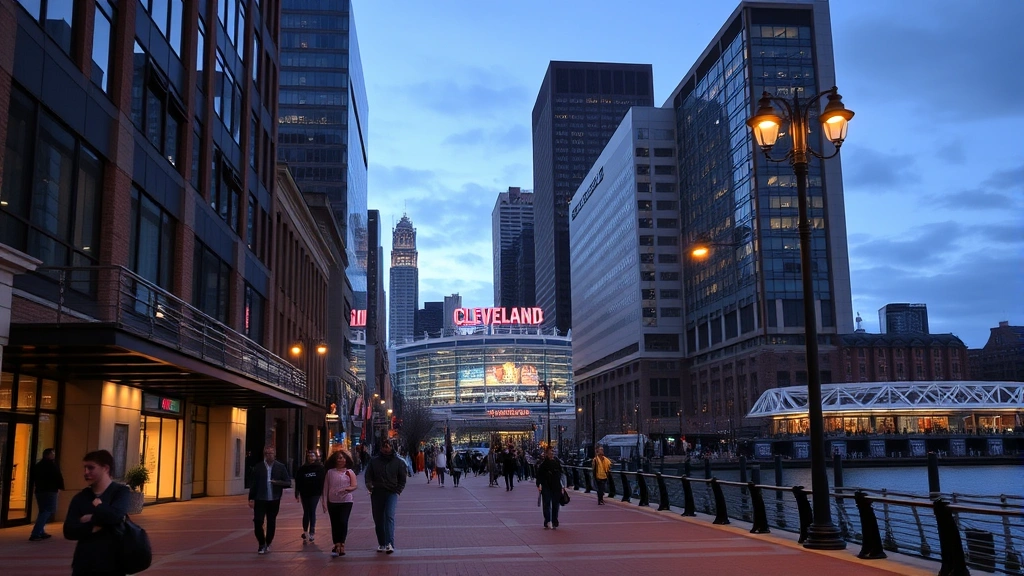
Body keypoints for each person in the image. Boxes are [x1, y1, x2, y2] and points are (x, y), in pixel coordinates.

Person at [63, 449, 131, 576]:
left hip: (113, 564)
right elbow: (69, 530)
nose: (86, 472)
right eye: (84, 468)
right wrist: (96, 524)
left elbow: (116, 516)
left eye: (91, 468)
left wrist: (96, 509)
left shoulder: (120, 492)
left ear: (105, 468)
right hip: (84, 564)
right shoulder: (81, 497)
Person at [364, 440, 407, 554]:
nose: (386, 448)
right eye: (384, 446)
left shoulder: (398, 461)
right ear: (381, 448)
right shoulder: (374, 461)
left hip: (391, 492)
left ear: (392, 447)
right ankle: (381, 543)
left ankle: (389, 543)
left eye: (388, 446)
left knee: (389, 516)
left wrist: (398, 490)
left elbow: (402, 478)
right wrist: (370, 486)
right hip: (377, 492)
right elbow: (368, 475)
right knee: (378, 519)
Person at [247, 446, 292, 554]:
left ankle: (268, 542)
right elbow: (253, 484)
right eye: (266, 453)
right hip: (260, 499)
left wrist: (276, 482)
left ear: (275, 454)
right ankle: (261, 543)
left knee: (271, 521)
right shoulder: (258, 467)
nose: (269, 455)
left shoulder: (280, 467)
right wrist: (251, 498)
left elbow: (288, 482)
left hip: (274, 499)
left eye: (271, 453)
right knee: (258, 521)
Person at [322, 450, 358, 557]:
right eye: (338, 458)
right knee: (335, 523)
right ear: (335, 460)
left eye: (342, 458)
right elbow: (325, 488)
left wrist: (347, 489)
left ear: (346, 459)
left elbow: (354, 485)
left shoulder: (349, 472)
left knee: (343, 521)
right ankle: (336, 543)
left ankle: (342, 543)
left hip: (346, 501)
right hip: (333, 501)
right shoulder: (330, 472)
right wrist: (324, 502)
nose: (340, 460)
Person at [30, 448, 65, 541]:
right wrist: (60, 487)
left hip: (39, 491)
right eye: (52, 453)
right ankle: (36, 533)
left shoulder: (38, 466)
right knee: (49, 510)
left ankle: (41, 531)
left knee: (43, 511)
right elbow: (58, 477)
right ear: (48, 455)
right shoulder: (52, 465)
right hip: (50, 490)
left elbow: (33, 477)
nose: (54, 455)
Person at [295, 449, 325, 544]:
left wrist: (323, 493)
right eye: (309, 456)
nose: (311, 458)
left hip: (315, 493)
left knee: (312, 510)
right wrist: (297, 492)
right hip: (304, 493)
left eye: (312, 456)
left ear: (316, 457)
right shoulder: (302, 468)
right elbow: (298, 481)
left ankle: (312, 531)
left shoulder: (320, 468)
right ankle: (305, 531)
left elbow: (323, 481)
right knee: (306, 512)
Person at [535, 447, 564, 529]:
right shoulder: (543, 465)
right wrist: (539, 485)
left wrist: (562, 485)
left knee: (555, 504)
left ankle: (554, 520)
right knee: (547, 504)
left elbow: (561, 474)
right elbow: (539, 476)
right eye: (551, 452)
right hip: (546, 486)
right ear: (547, 453)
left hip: (556, 486)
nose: (552, 454)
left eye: (553, 452)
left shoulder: (556, 463)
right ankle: (547, 520)